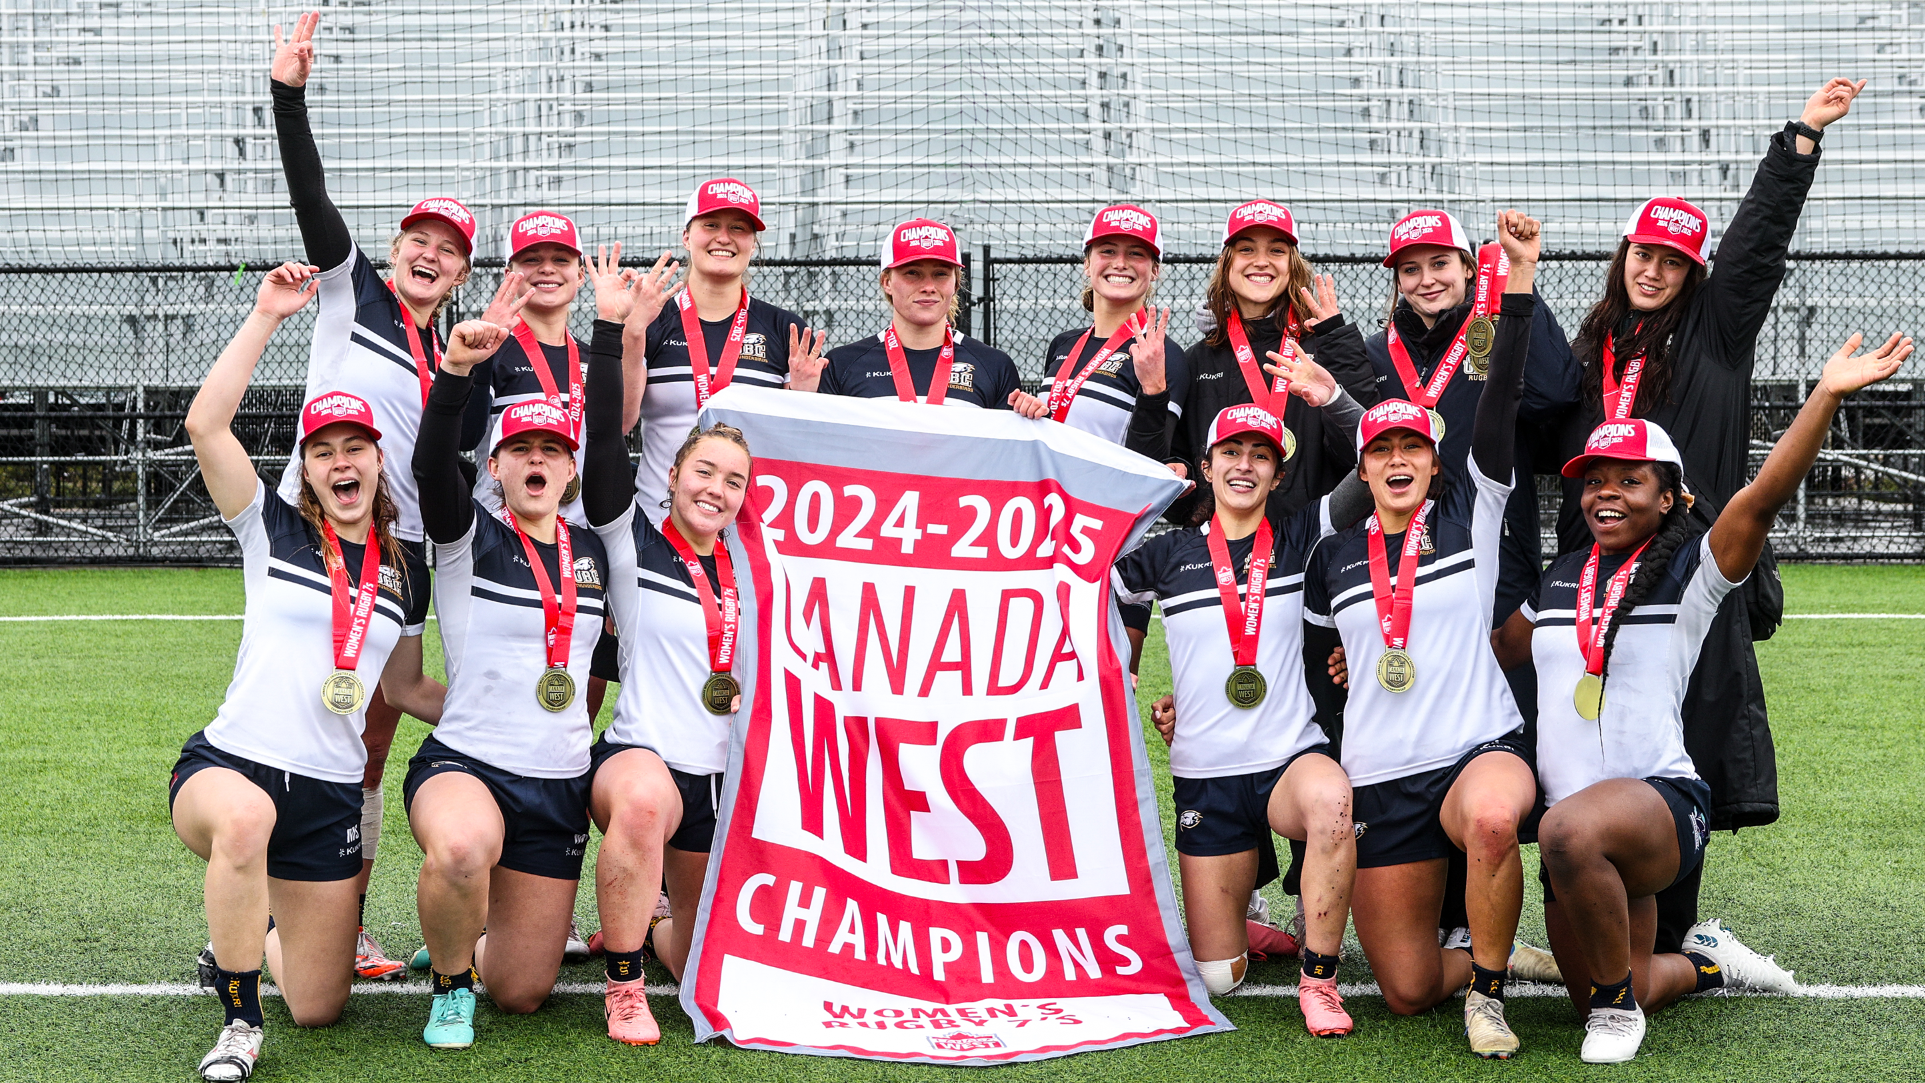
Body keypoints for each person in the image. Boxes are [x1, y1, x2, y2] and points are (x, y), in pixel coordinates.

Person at [1492, 331, 1910, 1062]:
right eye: (1594, 479)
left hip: (1658, 806)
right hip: (1578, 845)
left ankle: (1619, 1016)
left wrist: (1824, 396)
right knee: (1586, 985)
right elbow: (1498, 651)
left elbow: (1762, 495)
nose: (1605, 493)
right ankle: (1707, 961)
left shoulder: (1694, 569)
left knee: (1564, 841)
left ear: (1668, 495)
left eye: (1628, 479)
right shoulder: (1560, 576)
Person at [1552, 76, 1867, 969]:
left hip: (1691, 573)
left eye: (1671, 260)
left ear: (1693, 273)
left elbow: (1758, 242)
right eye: (1640, 255)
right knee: (1596, 739)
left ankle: (1683, 930)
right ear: (1621, 259)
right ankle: (1601, 905)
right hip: (1592, 577)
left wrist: (1800, 137)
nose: (1652, 270)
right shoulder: (1588, 351)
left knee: (1679, 737)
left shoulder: (1718, 334)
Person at [266, 10, 524, 979]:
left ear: (461, 272)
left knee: (373, 731)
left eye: (447, 249)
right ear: (395, 245)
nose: (428, 253)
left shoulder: (456, 351)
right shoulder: (352, 293)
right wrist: (288, 95)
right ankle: (276, 909)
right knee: (307, 722)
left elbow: (455, 465)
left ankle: (352, 916)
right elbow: (311, 194)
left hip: (406, 551)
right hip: (317, 533)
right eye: (417, 238)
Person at [175, 262, 438, 1081]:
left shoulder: (405, 571)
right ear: (310, 469)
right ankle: (238, 1023)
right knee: (246, 823)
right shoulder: (273, 529)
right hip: (231, 768)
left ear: (376, 460)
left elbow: (405, 688)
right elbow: (206, 427)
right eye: (322, 451)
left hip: (327, 798)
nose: (339, 461)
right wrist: (263, 317)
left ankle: (242, 938)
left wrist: (505, 720)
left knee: (322, 1005)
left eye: (354, 446)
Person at [1303, 210, 1539, 1059]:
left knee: (1489, 820)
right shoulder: (1333, 553)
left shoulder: (1474, 512)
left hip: (1476, 749)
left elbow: (1503, 392)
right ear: (1361, 469)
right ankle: (1499, 952)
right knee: (1403, 989)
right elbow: (1313, 660)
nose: (1397, 460)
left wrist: (1514, 284)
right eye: (1380, 450)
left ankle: (1487, 989)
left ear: (1436, 462)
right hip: (1382, 775)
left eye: (1413, 447)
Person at [1114, 373, 1370, 1038]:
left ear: (1277, 474)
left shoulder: (1300, 535)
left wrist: (1328, 397)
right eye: (1229, 453)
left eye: (1259, 455)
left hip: (1289, 761)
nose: (1243, 465)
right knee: (1220, 975)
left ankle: (1318, 980)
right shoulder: (1165, 554)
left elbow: (1372, 461)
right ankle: (1246, 927)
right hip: (1206, 774)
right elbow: (1078, 578)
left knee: (1332, 801)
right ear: (1204, 467)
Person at [405, 308, 618, 1051]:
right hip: (465, 763)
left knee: (523, 993)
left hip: (556, 783)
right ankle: (450, 985)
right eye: (519, 447)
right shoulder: (468, 534)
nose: (536, 459)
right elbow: (431, 464)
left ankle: (464, 927)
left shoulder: (596, 551)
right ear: (495, 465)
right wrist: (456, 372)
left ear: (569, 468)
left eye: (551, 449)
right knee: (461, 848)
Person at [576, 283, 754, 1043]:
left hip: (721, 778)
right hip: (641, 760)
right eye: (704, 472)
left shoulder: (756, 569)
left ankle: (649, 929)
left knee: (705, 970)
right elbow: (600, 442)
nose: (716, 489)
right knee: (643, 805)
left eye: (733, 480)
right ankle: (621, 985)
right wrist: (612, 328)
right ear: (674, 474)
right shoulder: (630, 540)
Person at [1007, 204, 1187, 673]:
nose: (1121, 263)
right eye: (1108, 250)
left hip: (1110, 547)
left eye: (1137, 254)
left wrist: (1153, 388)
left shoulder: (1165, 353)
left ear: (1155, 271)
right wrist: (1032, 416)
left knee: (1108, 686)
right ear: (1087, 264)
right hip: (1042, 538)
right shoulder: (1063, 344)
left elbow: (1148, 467)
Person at [1168, 200, 1379, 526]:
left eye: (1277, 251)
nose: (1262, 262)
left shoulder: (1324, 347)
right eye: (1247, 250)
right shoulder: (1197, 358)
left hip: (1313, 545)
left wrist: (1338, 343)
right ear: (1227, 264)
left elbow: (1361, 452)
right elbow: (1181, 458)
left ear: (1292, 265)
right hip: (1221, 551)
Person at [622, 177, 819, 522]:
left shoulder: (784, 329)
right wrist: (631, 331)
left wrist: (803, 401)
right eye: (710, 224)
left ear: (753, 244)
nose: (724, 237)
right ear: (687, 236)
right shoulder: (651, 319)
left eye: (738, 228)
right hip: (657, 521)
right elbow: (620, 423)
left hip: (753, 523)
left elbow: (798, 448)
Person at [804, 217, 1022, 407]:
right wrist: (801, 395)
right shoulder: (842, 364)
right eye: (913, 273)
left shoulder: (995, 366)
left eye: (940, 274)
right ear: (887, 282)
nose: (928, 286)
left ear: (956, 284)